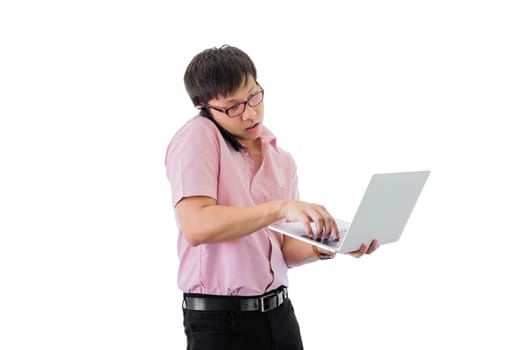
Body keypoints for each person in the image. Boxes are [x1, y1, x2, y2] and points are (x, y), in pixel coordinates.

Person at [165, 45, 379, 350]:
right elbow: (197, 226)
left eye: (253, 96)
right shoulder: (199, 135)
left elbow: (283, 252)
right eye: (232, 106)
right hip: (220, 323)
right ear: (204, 107)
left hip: (280, 317)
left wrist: (331, 244)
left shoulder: (281, 159)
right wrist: (281, 208)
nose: (250, 113)